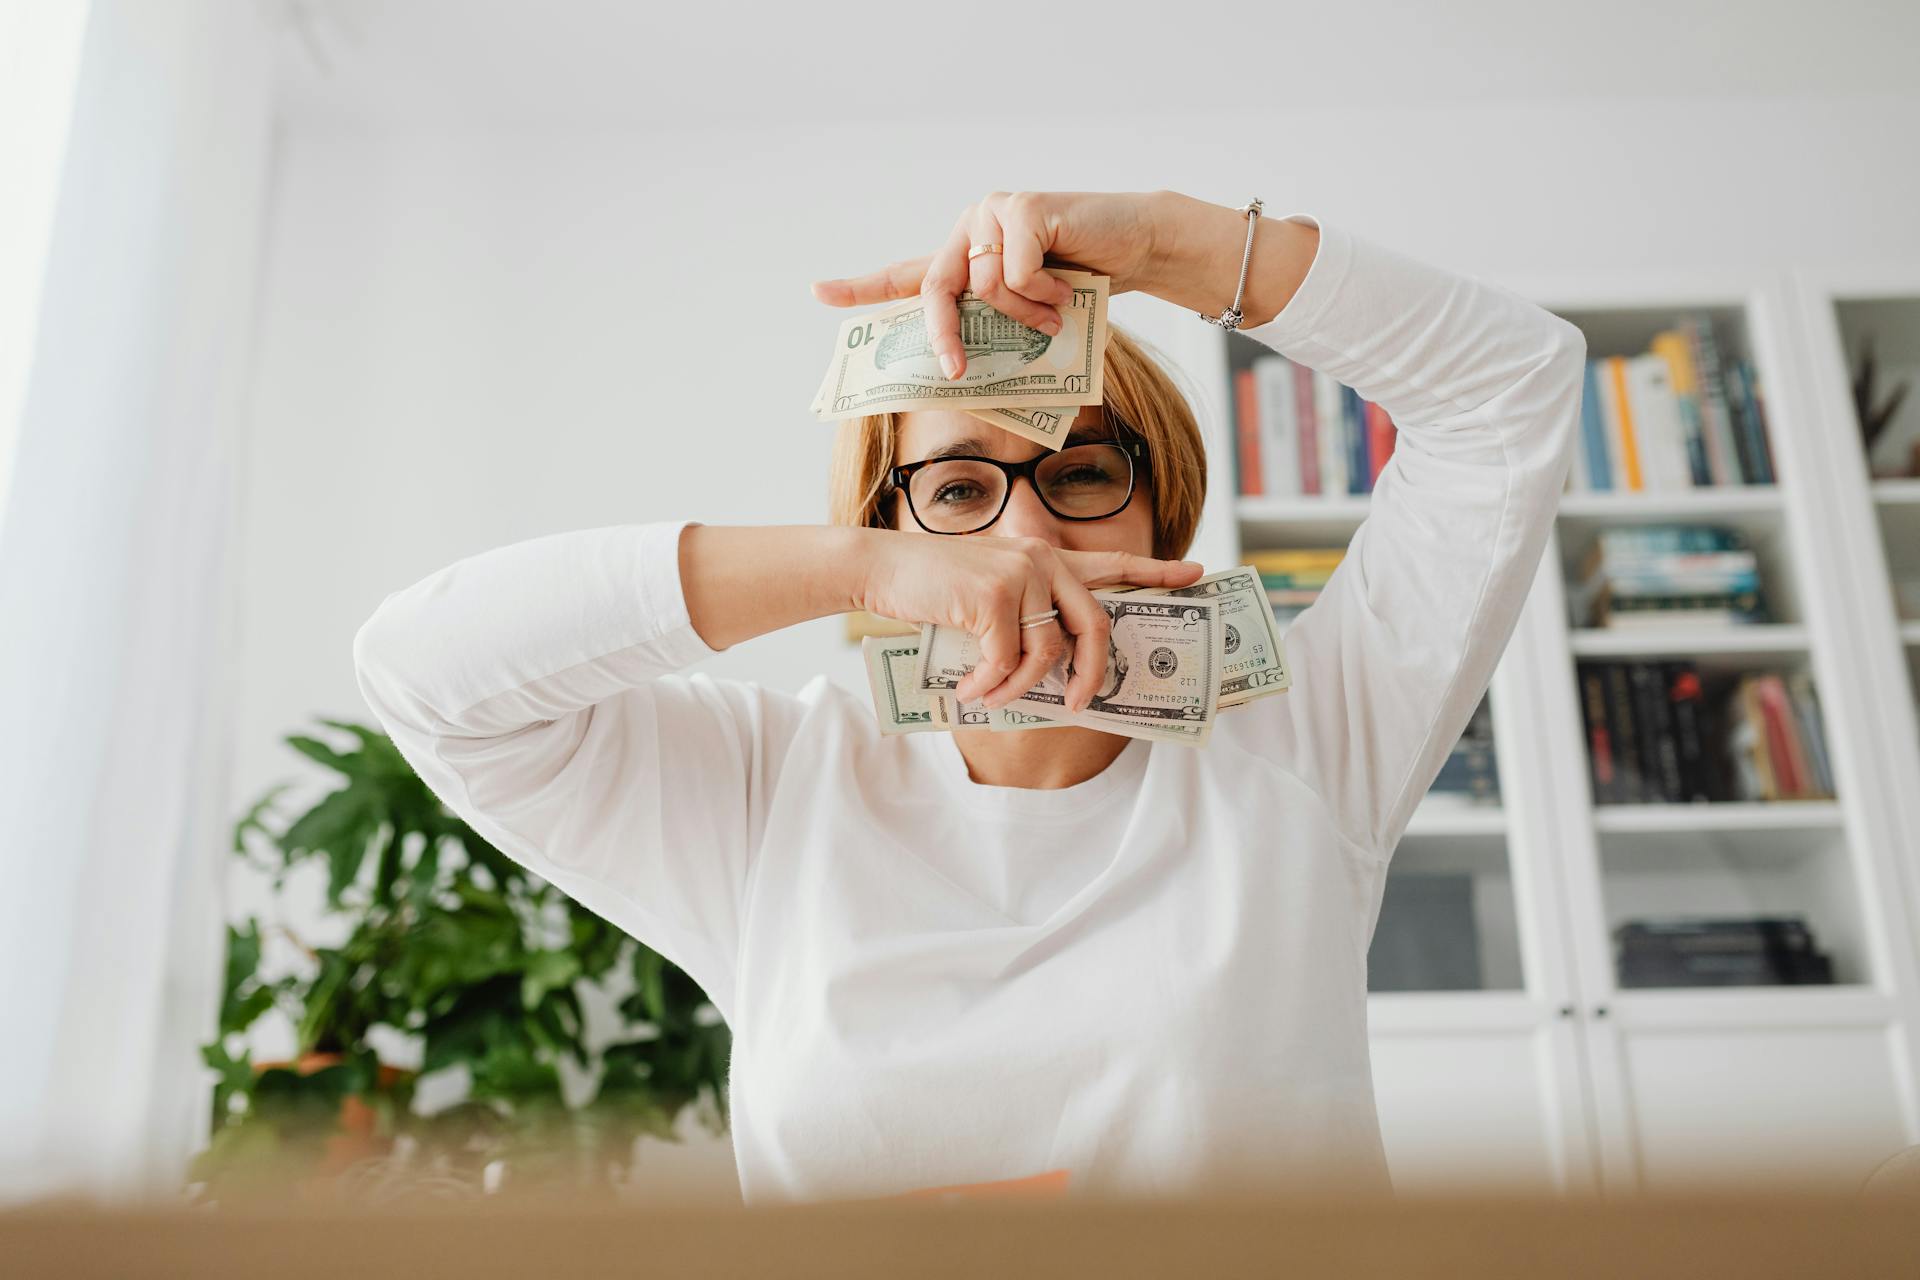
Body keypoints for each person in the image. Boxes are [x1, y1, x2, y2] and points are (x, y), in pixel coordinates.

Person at [352, 188, 1586, 1204]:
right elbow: (426, 671)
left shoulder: (1308, 744)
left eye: (1084, 469)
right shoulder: (766, 792)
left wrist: (1163, 243)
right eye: (954, 492)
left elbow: (1511, 389)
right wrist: (851, 561)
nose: (1027, 537)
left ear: (1168, 509)